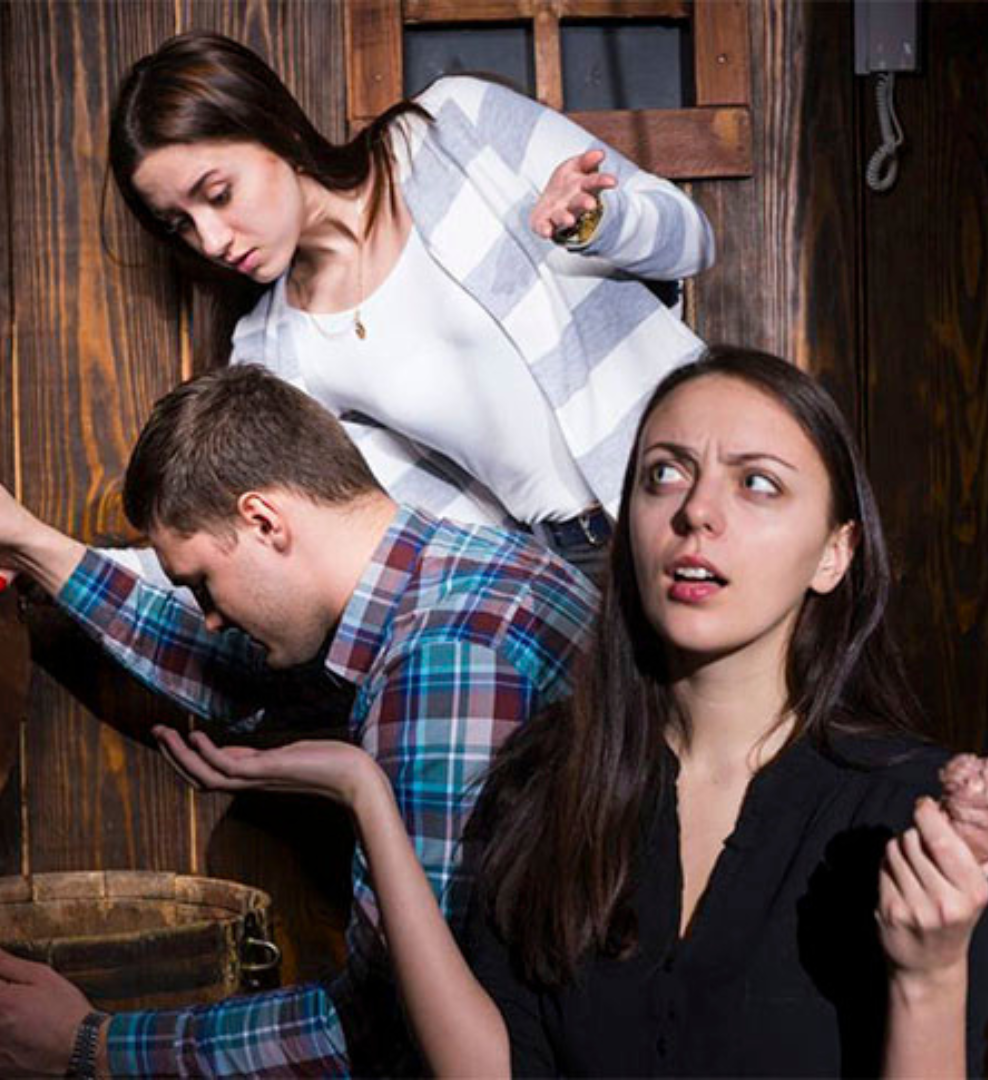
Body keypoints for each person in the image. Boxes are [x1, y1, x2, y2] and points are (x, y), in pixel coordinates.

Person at [149, 347, 988, 1077]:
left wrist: (931, 975)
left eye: (757, 484)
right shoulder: (552, 782)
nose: (697, 512)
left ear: (835, 554)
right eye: (665, 474)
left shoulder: (908, 820)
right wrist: (365, 792)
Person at [0, 365, 598, 1077]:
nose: (210, 617)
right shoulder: (466, 570)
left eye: (203, 584)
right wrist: (34, 546)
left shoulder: (446, 664)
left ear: (264, 520)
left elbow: (390, 1026)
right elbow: (227, 667)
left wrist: (89, 1046)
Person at [107, 30, 716, 579]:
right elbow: (274, 541)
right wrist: (65, 560)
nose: (211, 239)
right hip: (574, 562)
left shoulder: (455, 124)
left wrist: (598, 222)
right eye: (180, 223)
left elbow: (693, 239)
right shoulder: (273, 351)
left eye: (218, 194)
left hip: (704, 478)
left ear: (277, 131)